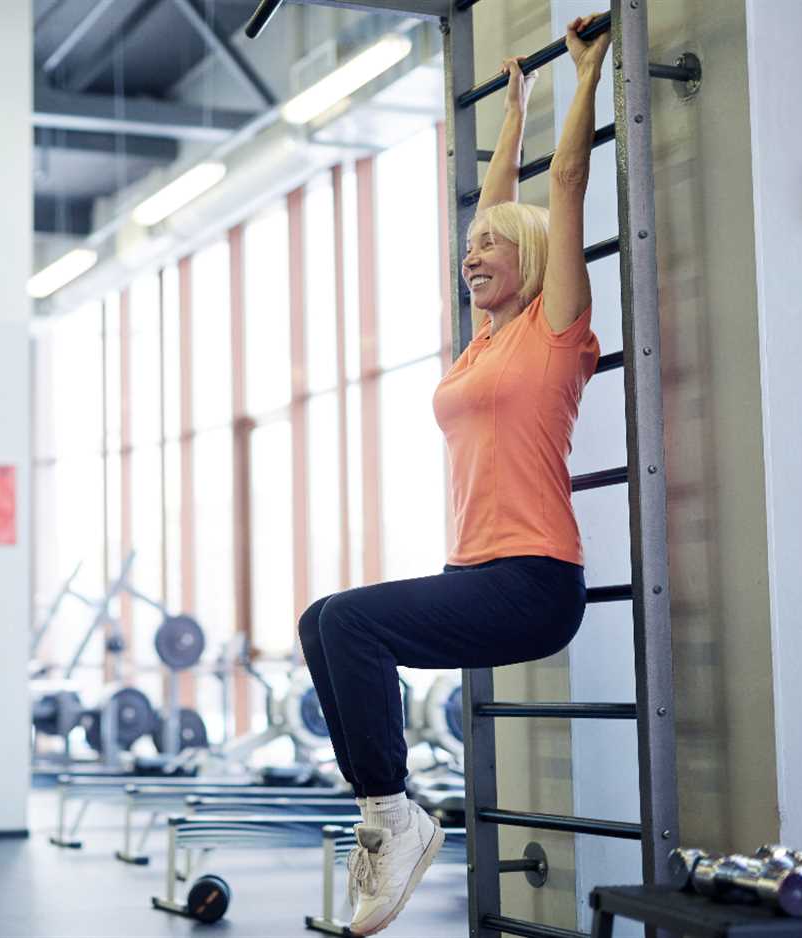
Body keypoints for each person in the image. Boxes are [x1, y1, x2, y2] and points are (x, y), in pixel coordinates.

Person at [296, 16, 610, 937]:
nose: (473, 256)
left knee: (351, 621)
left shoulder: (554, 331)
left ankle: (395, 816)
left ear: (534, 264)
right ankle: (386, 816)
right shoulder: (482, 342)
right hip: (476, 574)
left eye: (491, 249)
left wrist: (584, 75)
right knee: (323, 621)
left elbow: (563, 186)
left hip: (535, 579)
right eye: (469, 247)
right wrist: (510, 113)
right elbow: (501, 200)